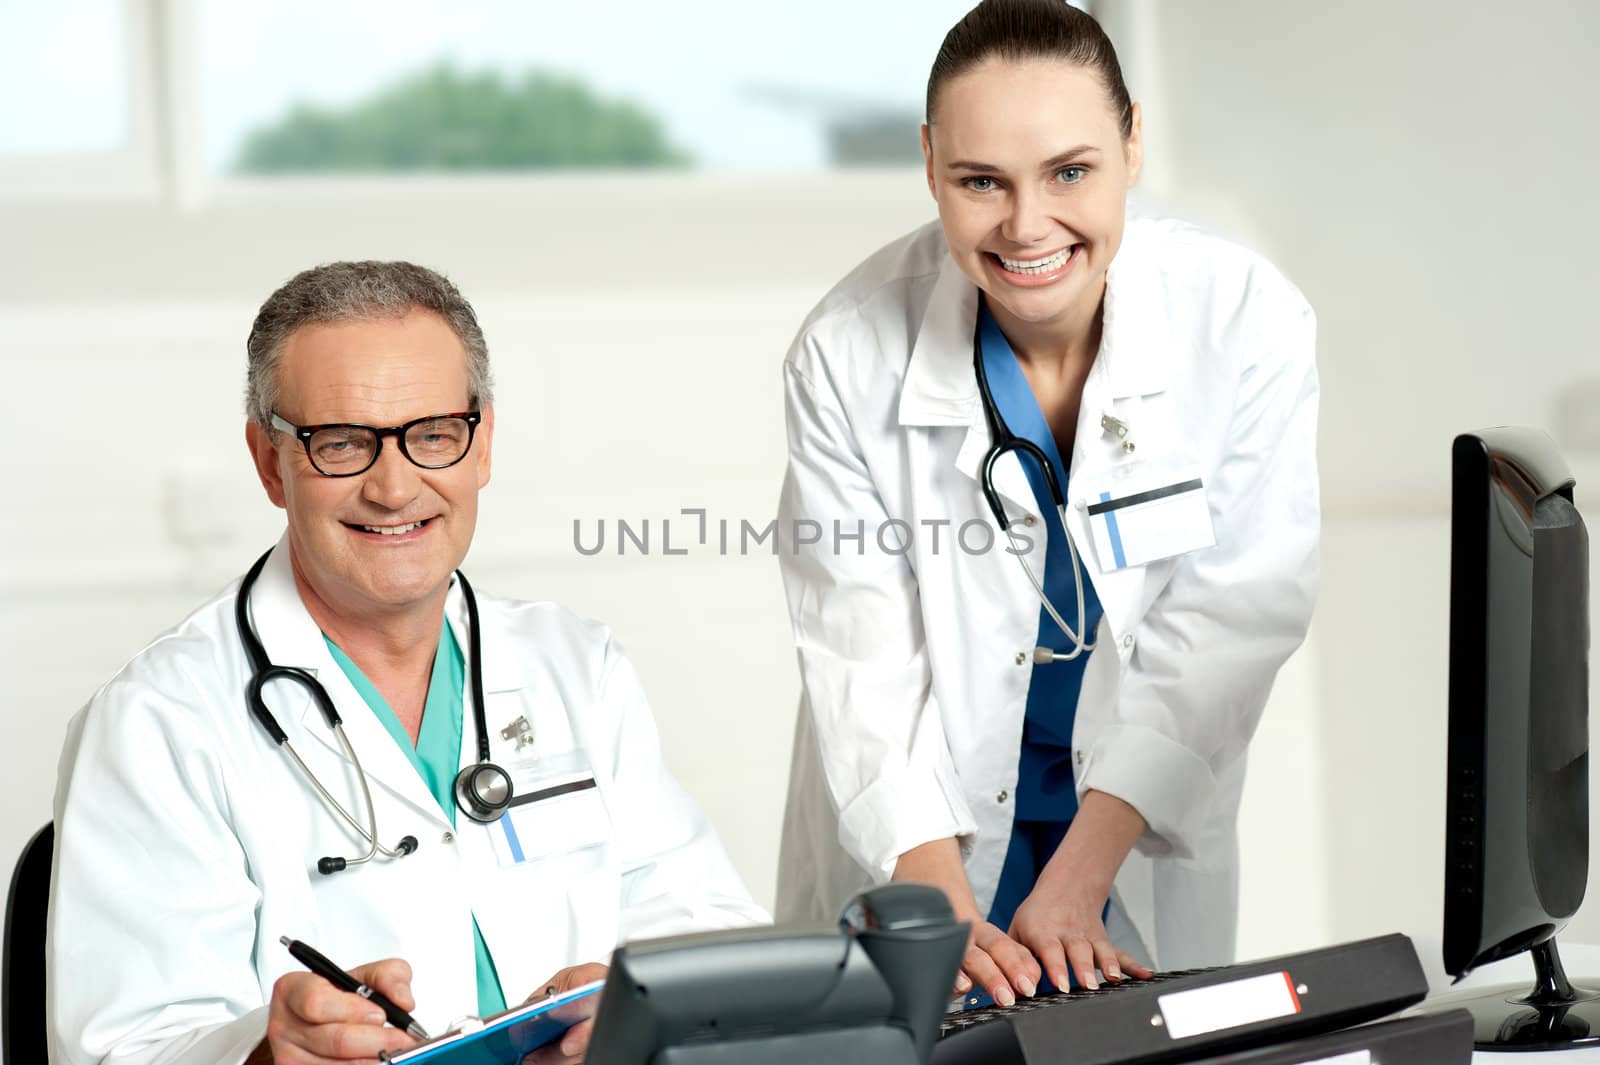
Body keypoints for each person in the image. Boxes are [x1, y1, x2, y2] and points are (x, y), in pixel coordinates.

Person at [48, 262, 768, 1065]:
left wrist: (637, 1002)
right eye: (341, 444)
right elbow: (124, 1049)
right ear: (268, 462)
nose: (394, 488)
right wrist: (260, 1054)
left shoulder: (576, 666)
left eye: (432, 434)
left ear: (482, 441)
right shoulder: (159, 721)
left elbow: (707, 927)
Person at [774, 0, 1319, 1009]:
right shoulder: (847, 351)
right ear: (931, 160)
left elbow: (1233, 618)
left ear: (1133, 142)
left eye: (1070, 171)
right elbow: (858, 654)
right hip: (917, 843)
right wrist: (934, 912)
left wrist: (1077, 878)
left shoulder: (1241, 321)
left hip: (1125, 835)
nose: (1027, 226)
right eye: (980, 181)